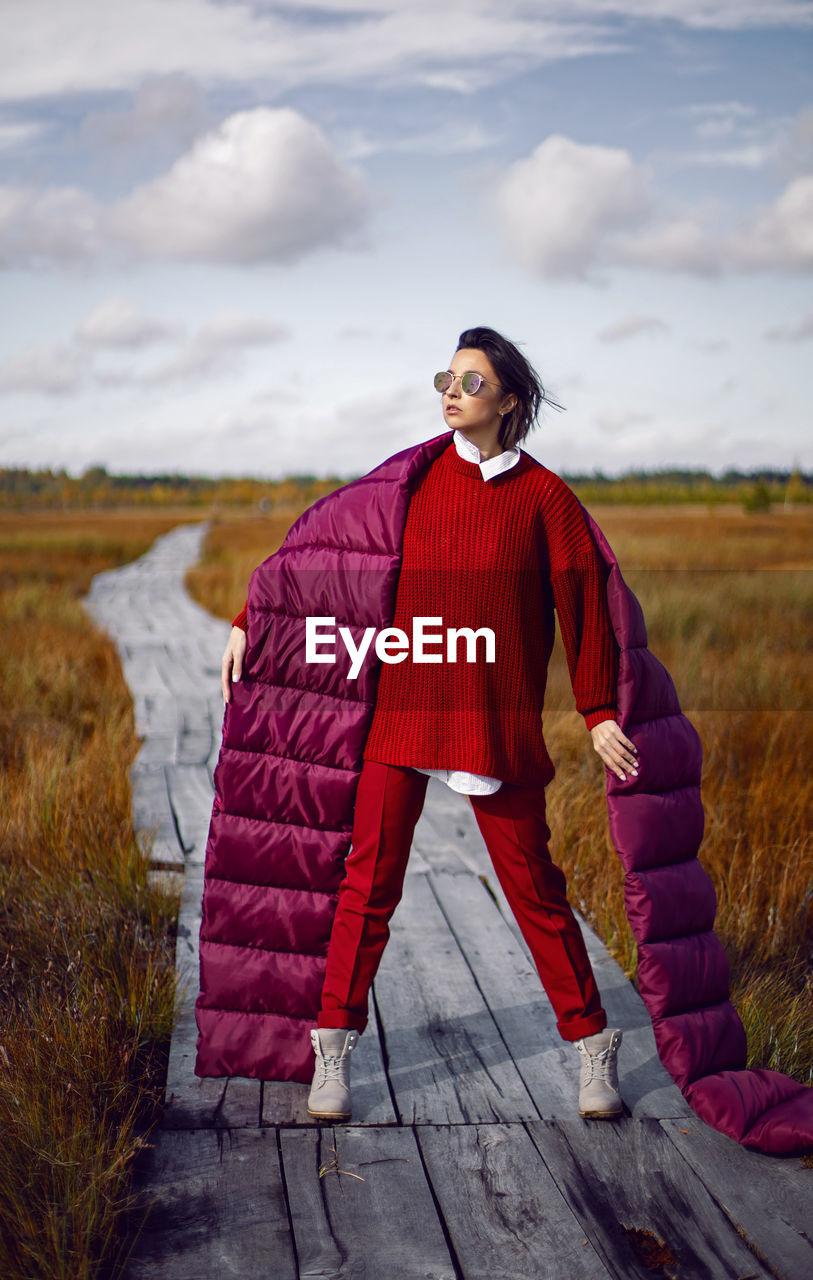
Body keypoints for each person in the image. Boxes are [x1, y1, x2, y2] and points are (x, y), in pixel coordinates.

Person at [220, 327, 639, 1123]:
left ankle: (591, 1048)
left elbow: (585, 614)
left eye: (471, 383)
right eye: (446, 378)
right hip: (402, 715)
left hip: (492, 724)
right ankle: (333, 1052)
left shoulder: (545, 499)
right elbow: (328, 555)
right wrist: (253, 619)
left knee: (536, 893)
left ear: (509, 401)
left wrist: (598, 711)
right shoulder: (407, 481)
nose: (451, 392)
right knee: (366, 886)